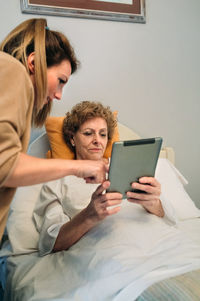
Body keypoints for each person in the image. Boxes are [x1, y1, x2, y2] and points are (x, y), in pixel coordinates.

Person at [0, 19, 108, 242]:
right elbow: (5, 165)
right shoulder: (12, 70)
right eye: (60, 81)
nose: (59, 95)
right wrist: (78, 167)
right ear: (34, 62)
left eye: (103, 133)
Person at [33, 101, 164, 256]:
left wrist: (154, 203)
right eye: (88, 133)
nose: (97, 140)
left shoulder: (132, 169)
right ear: (72, 139)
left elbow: (163, 215)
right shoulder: (58, 180)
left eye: (103, 134)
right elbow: (51, 244)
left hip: (157, 245)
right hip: (111, 254)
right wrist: (88, 215)